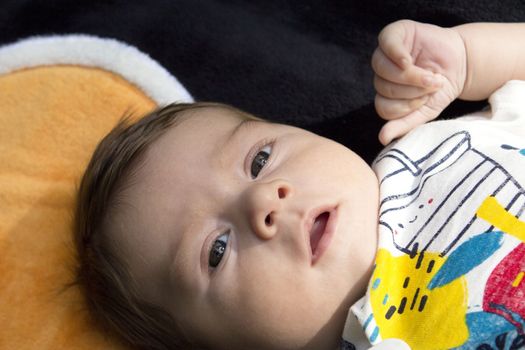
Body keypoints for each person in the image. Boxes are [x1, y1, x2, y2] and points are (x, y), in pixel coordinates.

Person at [73, 20, 525, 350]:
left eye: (261, 160)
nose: (263, 201)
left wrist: (469, 59)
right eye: (216, 250)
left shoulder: (434, 144)